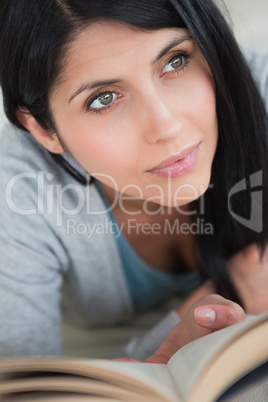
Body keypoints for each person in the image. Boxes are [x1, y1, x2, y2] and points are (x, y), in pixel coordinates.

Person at [0, 0, 267, 360]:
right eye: (103, 99)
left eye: (175, 61)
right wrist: (184, 325)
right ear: (41, 128)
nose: (166, 126)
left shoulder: (260, 88)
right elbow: (26, 388)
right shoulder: (18, 189)